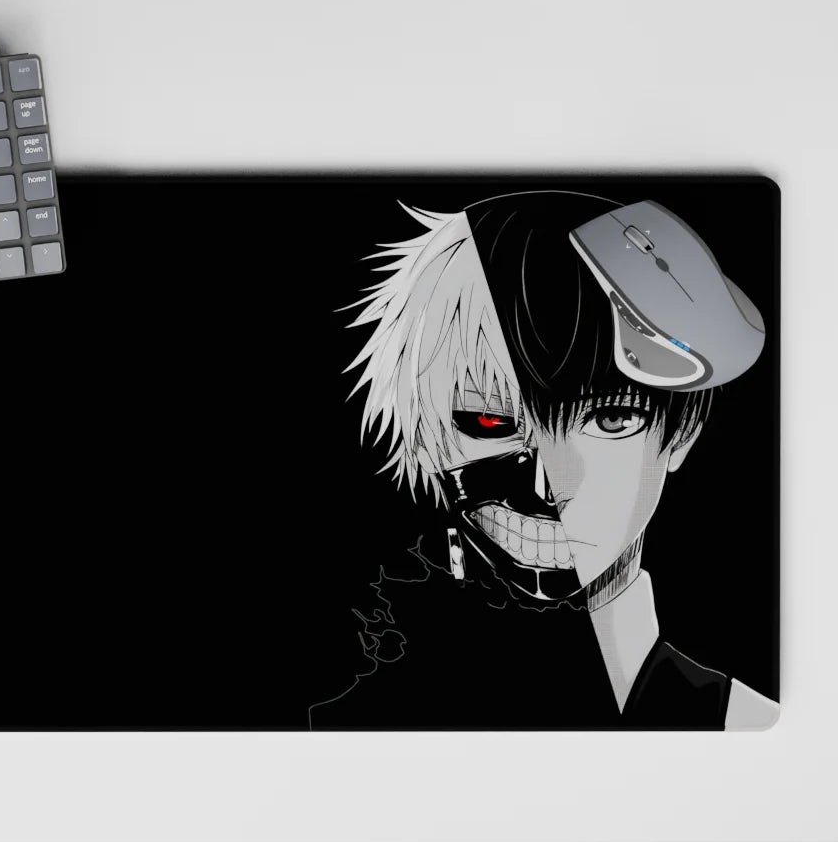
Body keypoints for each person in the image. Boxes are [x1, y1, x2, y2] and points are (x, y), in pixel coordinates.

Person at [311, 191, 775, 731]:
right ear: (426, 433)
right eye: (489, 421)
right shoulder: (344, 726)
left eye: (611, 419)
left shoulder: (746, 728)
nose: (547, 486)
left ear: (682, 434)